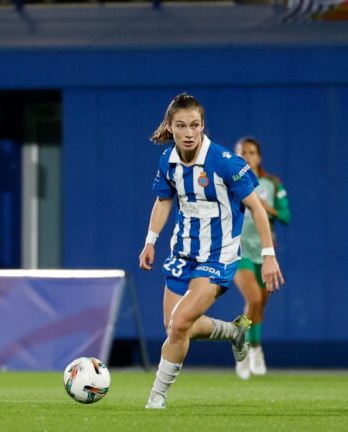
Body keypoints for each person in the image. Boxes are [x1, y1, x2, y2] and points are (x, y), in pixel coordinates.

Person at [139, 93, 285, 409]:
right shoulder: (168, 162)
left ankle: (156, 399)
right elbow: (164, 201)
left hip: (218, 258)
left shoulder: (224, 162)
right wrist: (151, 241)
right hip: (181, 254)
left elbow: (258, 210)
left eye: (194, 125)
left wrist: (269, 256)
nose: (189, 132)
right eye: (181, 126)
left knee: (178, 325)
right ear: (170, 127)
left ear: (203, 126)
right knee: (177, 327)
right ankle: (233, 332)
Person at [233, 137, 291, 380]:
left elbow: (285, 216)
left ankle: (253, 346)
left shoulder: (271, 184)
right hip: (239, 251)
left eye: (252, 152)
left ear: (259, 157)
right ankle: (244, 348)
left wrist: (267, 207)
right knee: (253, 297)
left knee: (260, 305)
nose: (248, 156)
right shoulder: (230, 181)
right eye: (242, 152)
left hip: (265, 253)